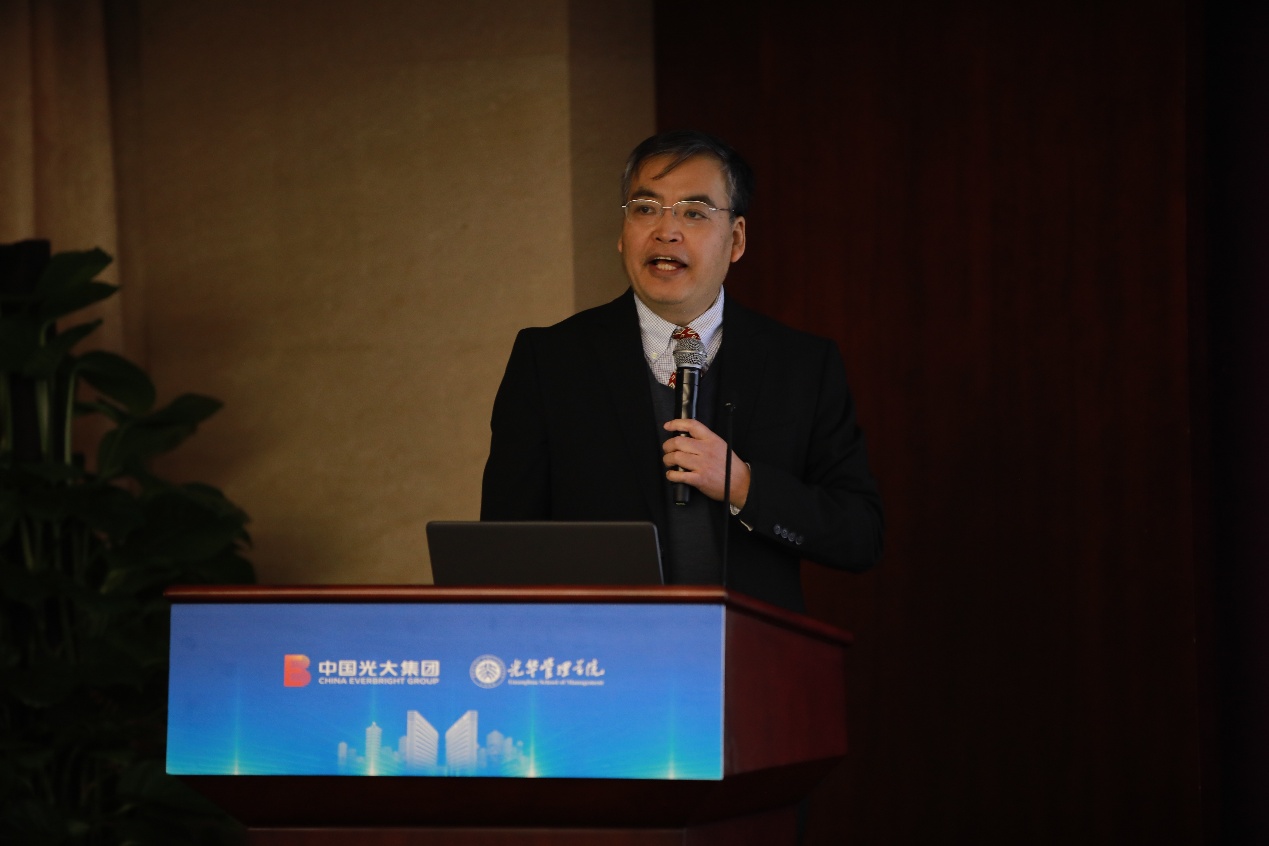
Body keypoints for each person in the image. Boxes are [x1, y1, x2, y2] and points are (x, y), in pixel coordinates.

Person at [480, 129, 882, 612]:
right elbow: (503, 547)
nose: (665, 230)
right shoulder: (550, 359)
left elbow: (860, 535)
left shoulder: (801, 365)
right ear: (623, 233)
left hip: (746, 650)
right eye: (645, 208)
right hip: (598, 647)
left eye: (694, 213)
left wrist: (744, 486)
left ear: (736, 239)